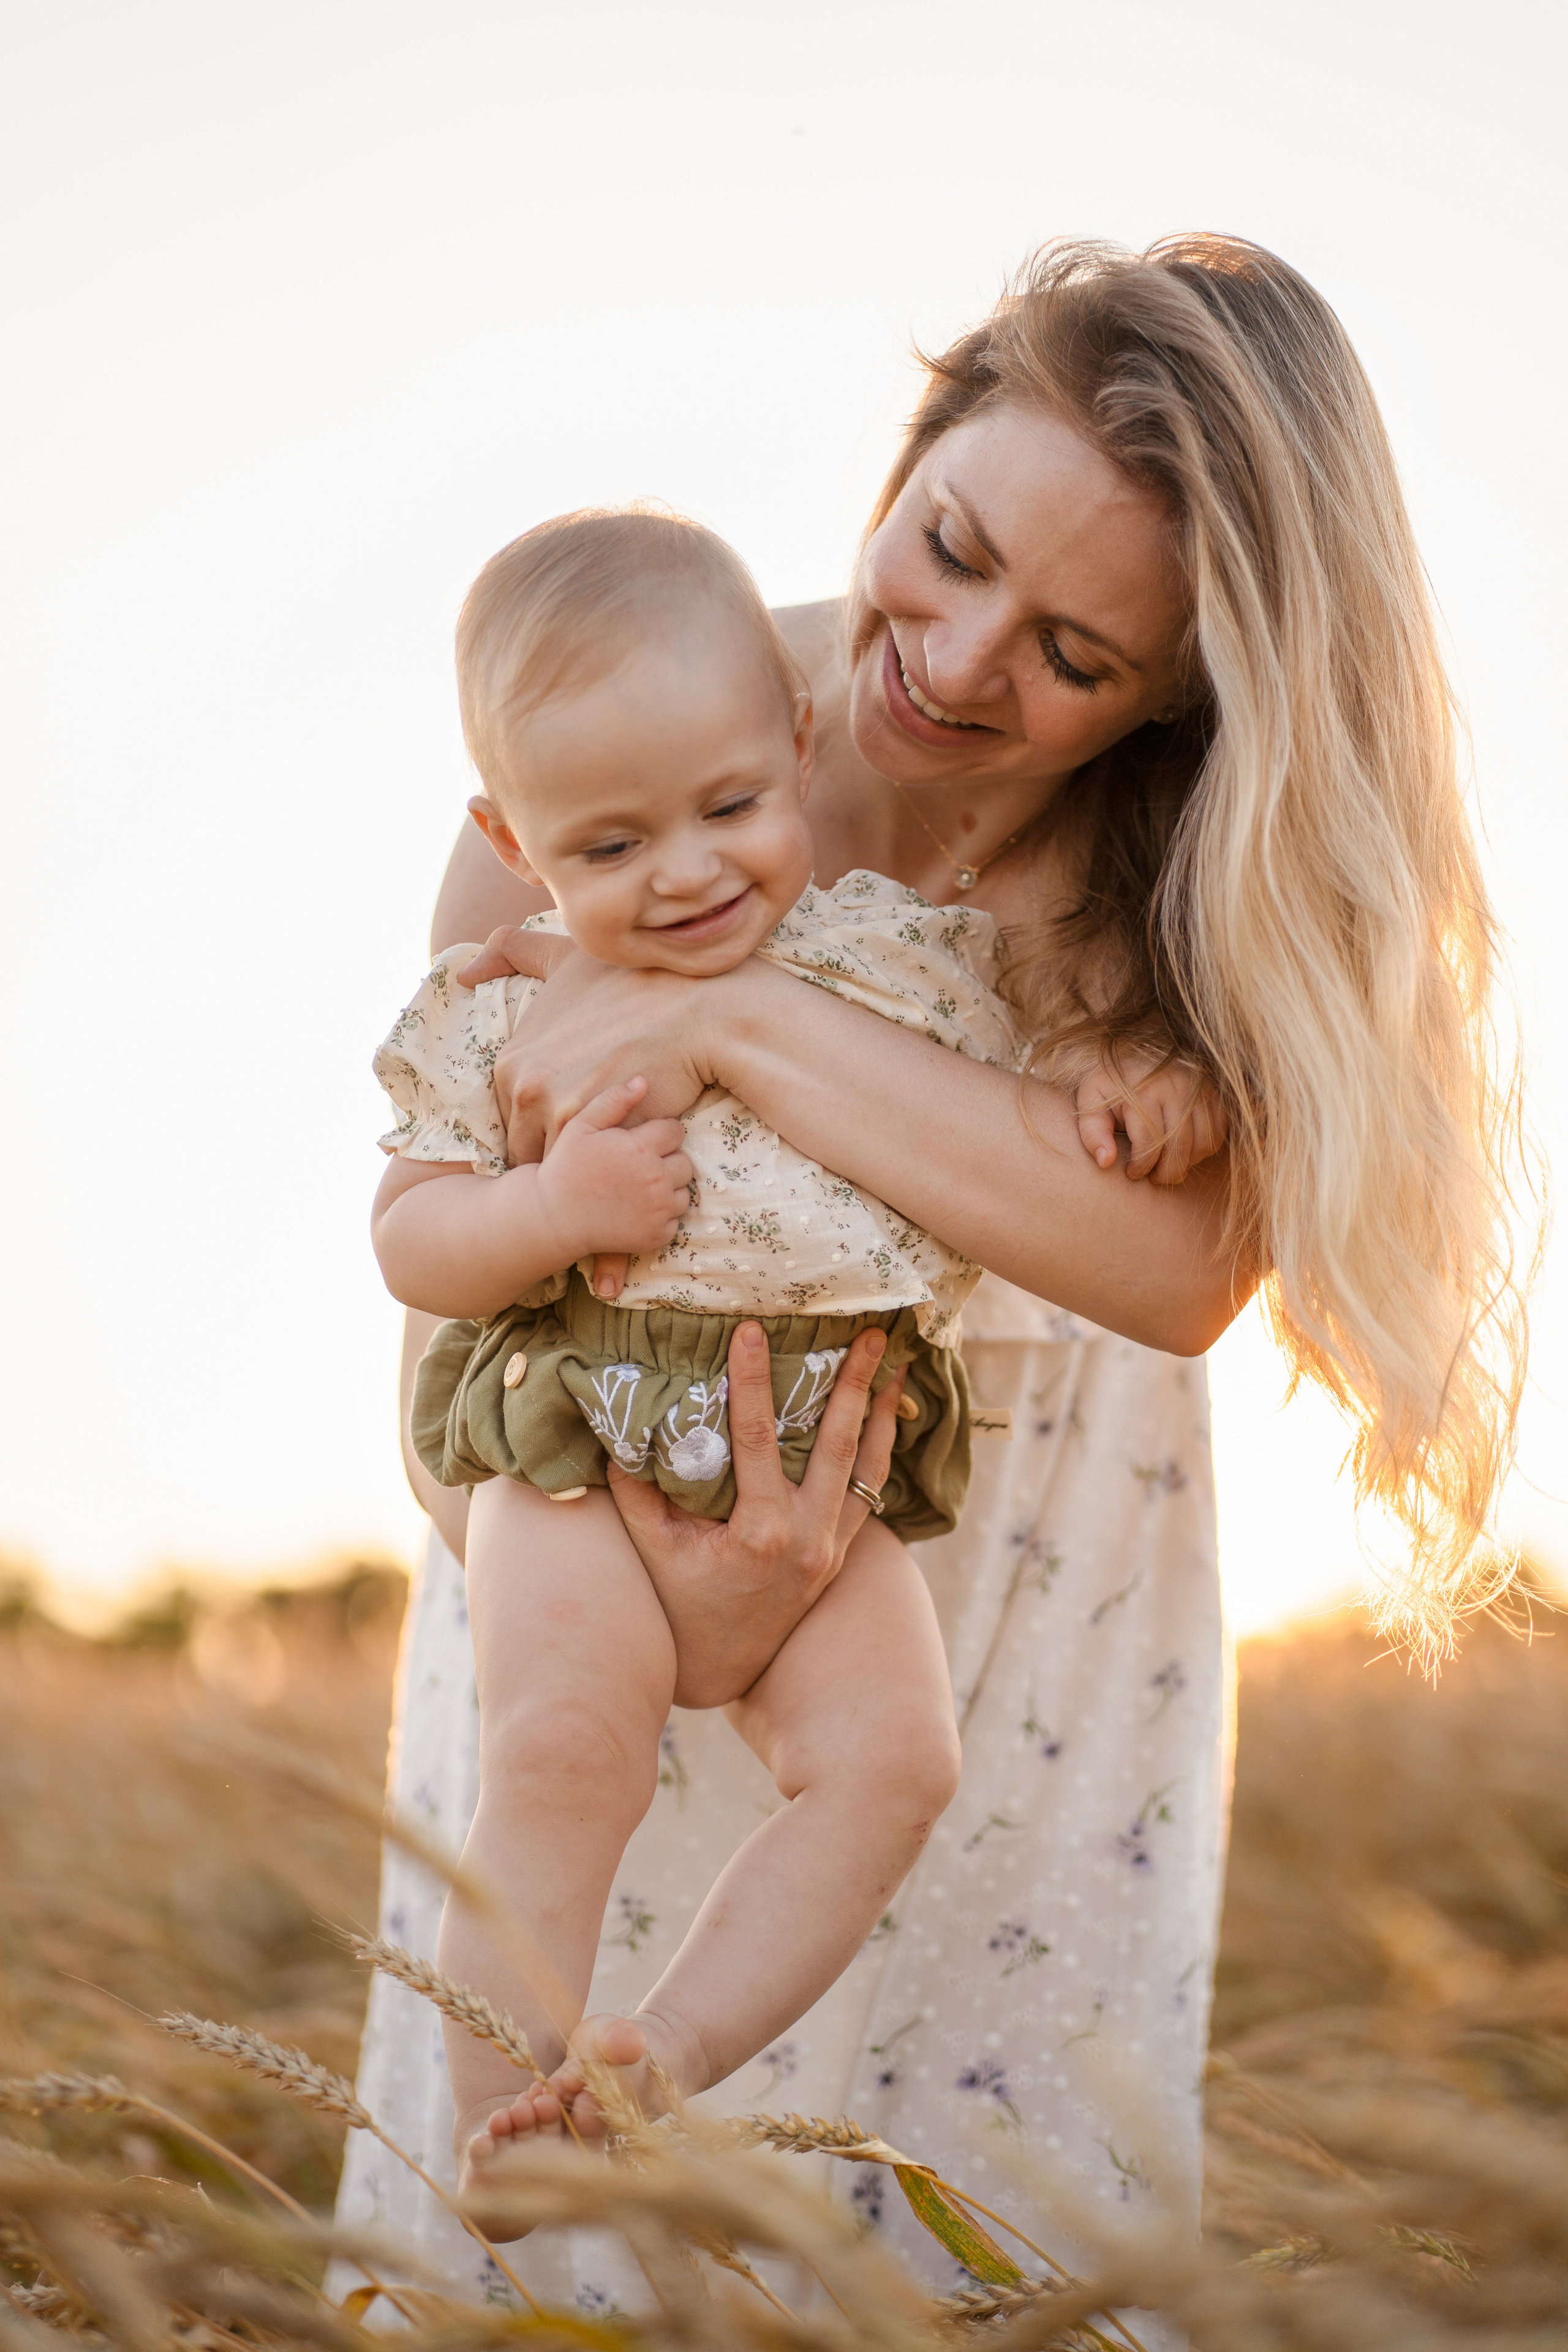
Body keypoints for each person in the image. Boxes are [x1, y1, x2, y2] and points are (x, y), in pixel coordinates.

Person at [336, 235, 1526, 2327]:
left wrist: (739, 1035)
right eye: (949, 546)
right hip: (595, 1556)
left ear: (1179, 687)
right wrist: (676, 1578)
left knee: (968, 2236)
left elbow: (1175, 1283)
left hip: (1019, 1620)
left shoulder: (1169, 895)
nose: (961, 663)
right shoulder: (604, 741)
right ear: (913, 445)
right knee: (566, 2248)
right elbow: (443, 1335)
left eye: (1075, 652)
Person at [372, 505, 1224, 2192]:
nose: (685, 874)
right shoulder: (505, 996)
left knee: (896, 1763)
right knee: (562, 1748)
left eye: (731, 812)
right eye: (609, 848)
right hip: (576, 1445)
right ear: (514, 838)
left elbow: (1042, 1093)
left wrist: (1147, 1081)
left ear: (797, 745)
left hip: (841, 1467)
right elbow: (414, 1241)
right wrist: (556, 1206)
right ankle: (496, 2133)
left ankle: (655, 2058)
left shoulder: (897, 962)